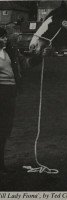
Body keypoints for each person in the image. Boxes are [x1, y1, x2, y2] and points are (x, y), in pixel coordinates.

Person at [0, 27, 23, 174]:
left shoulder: (11, 52)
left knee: (5, 129)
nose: (5, 39)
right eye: (1, 37)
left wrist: (40, 55)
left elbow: (26, 64)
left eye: (4, 37)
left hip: (10, 94)